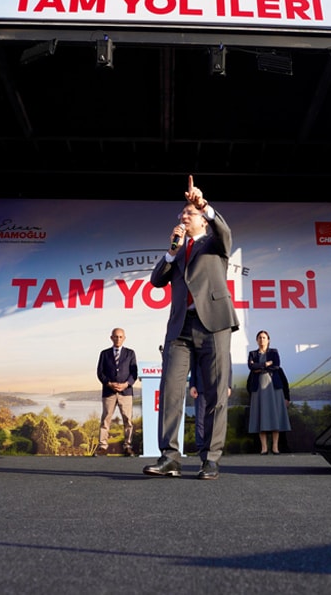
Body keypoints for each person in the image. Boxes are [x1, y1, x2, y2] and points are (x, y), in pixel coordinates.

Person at [144, 176, 238, 481]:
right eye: (181, 213)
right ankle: (170, 457)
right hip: (180, 327)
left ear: (202, 221)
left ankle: (210, 459)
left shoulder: (214, 243)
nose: (183, 216)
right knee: (171, 391)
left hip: (214, 325)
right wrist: (171, 252)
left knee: (214, 394)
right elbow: (156, 281)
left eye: (189, 213)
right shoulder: (177, 250)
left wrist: (204, 204)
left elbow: (225, 232)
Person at [94, 328, 138, 456]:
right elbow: (100, 372)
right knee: (105, 420)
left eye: (120, 337)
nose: (118, 339)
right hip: (109, 392)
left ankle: (128, 447)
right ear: (111, 338)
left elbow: (134, 373)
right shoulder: (104, 354)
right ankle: (103, 447)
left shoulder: (130, 353)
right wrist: (109, 383)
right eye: (116, 336)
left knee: (128, 420)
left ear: (124, 338)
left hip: (126, 392)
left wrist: (126, 384)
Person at [247, 330, 291, 455]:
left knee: (275, 417)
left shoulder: (274, 352)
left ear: (268, 340)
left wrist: (258, 366)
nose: (262, 340)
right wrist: (266, 364)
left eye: (264, 337)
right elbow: (251, 367)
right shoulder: (252, 354)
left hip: (274, 389)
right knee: (261, 417)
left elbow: (276, 366)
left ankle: (275, 447)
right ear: (257, 340)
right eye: (260, 337)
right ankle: (264, 447)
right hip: (258, 390)